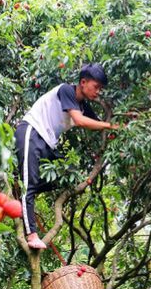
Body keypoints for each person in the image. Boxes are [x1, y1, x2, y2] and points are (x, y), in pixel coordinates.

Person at [15, 63, 119, 249]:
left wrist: (119, 125)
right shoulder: (66, 90)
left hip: (48, 143)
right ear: (83, 82)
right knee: (28, 185)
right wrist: (109, 126)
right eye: (96, 87)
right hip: (32, 132)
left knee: (66, 176)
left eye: (101, 89)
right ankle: (31, 235)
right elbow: (80, 121)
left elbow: (97, 123)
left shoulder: (82, 105)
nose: (98, 92)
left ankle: (22, 194)